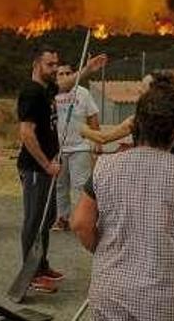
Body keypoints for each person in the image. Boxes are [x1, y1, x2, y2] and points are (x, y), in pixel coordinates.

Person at [71, 80, 174, 320]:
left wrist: (103, 251)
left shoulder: (106, 167)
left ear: (135, 126)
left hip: (112, 296)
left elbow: (80, 223)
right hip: (172, 302)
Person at [16, 45, 106, 294]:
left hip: (48, 167)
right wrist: (46, 164)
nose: (55, 69)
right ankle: (30, 274)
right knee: (34, 221)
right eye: (50, 65)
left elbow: (66, 86)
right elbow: (26, 133)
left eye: (57, 65)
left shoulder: (46, 90)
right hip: (35, 169)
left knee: (46, 219)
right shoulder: (31, 93)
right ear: (37, 65)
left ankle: (41, 266)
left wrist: (87, 69)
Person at [81, 70, 174, 156]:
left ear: (154, 92)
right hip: (173, 165)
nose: (139, 89)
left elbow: (103, 138)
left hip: (154, 169)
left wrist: (79, 127)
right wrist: (133, 146)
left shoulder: (138, 120)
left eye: (143, 86)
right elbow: (158, 147)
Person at [51, 63, 100, 231]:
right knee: (60, 185)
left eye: (68, 73)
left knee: (80, 185)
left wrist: (97, 141)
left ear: (74, 74)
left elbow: (92, 116)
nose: (64, 76)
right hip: (59, 148)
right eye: (60, 73)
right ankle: (62, 218)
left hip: (80, 147)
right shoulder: (53, 93)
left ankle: (82, 218)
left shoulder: (83, 93)